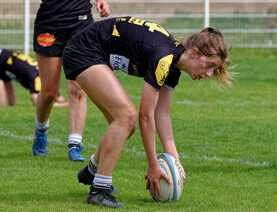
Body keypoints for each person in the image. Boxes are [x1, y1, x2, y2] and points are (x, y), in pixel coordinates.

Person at [62, 16, 232, 208]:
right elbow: (146, 116)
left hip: (93, 51)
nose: (209, 74)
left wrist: (175, 162)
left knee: (124, 124)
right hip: (84, 51)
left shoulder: (173, 65)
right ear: (194, 53)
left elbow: (162, 115)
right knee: (127, 117)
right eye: (209, 65)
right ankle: (99, 191)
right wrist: (153, 164)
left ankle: (91, 172)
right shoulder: (164, 58)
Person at [21, 0, 110, 162]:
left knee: (78, 88)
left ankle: (74, 146)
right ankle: (41, 131)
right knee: (49, 92)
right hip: (50, 26)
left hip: (82, 27)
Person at [0, 48, 68, 107]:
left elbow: (59, 98)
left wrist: (66, 103)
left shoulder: (43, 76)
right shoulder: (37, 78)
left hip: (7, 59)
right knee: (4, 104)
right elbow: (35, 101)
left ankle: (8, 106)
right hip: (4, 60)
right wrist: (64, 105)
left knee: (11, 103)